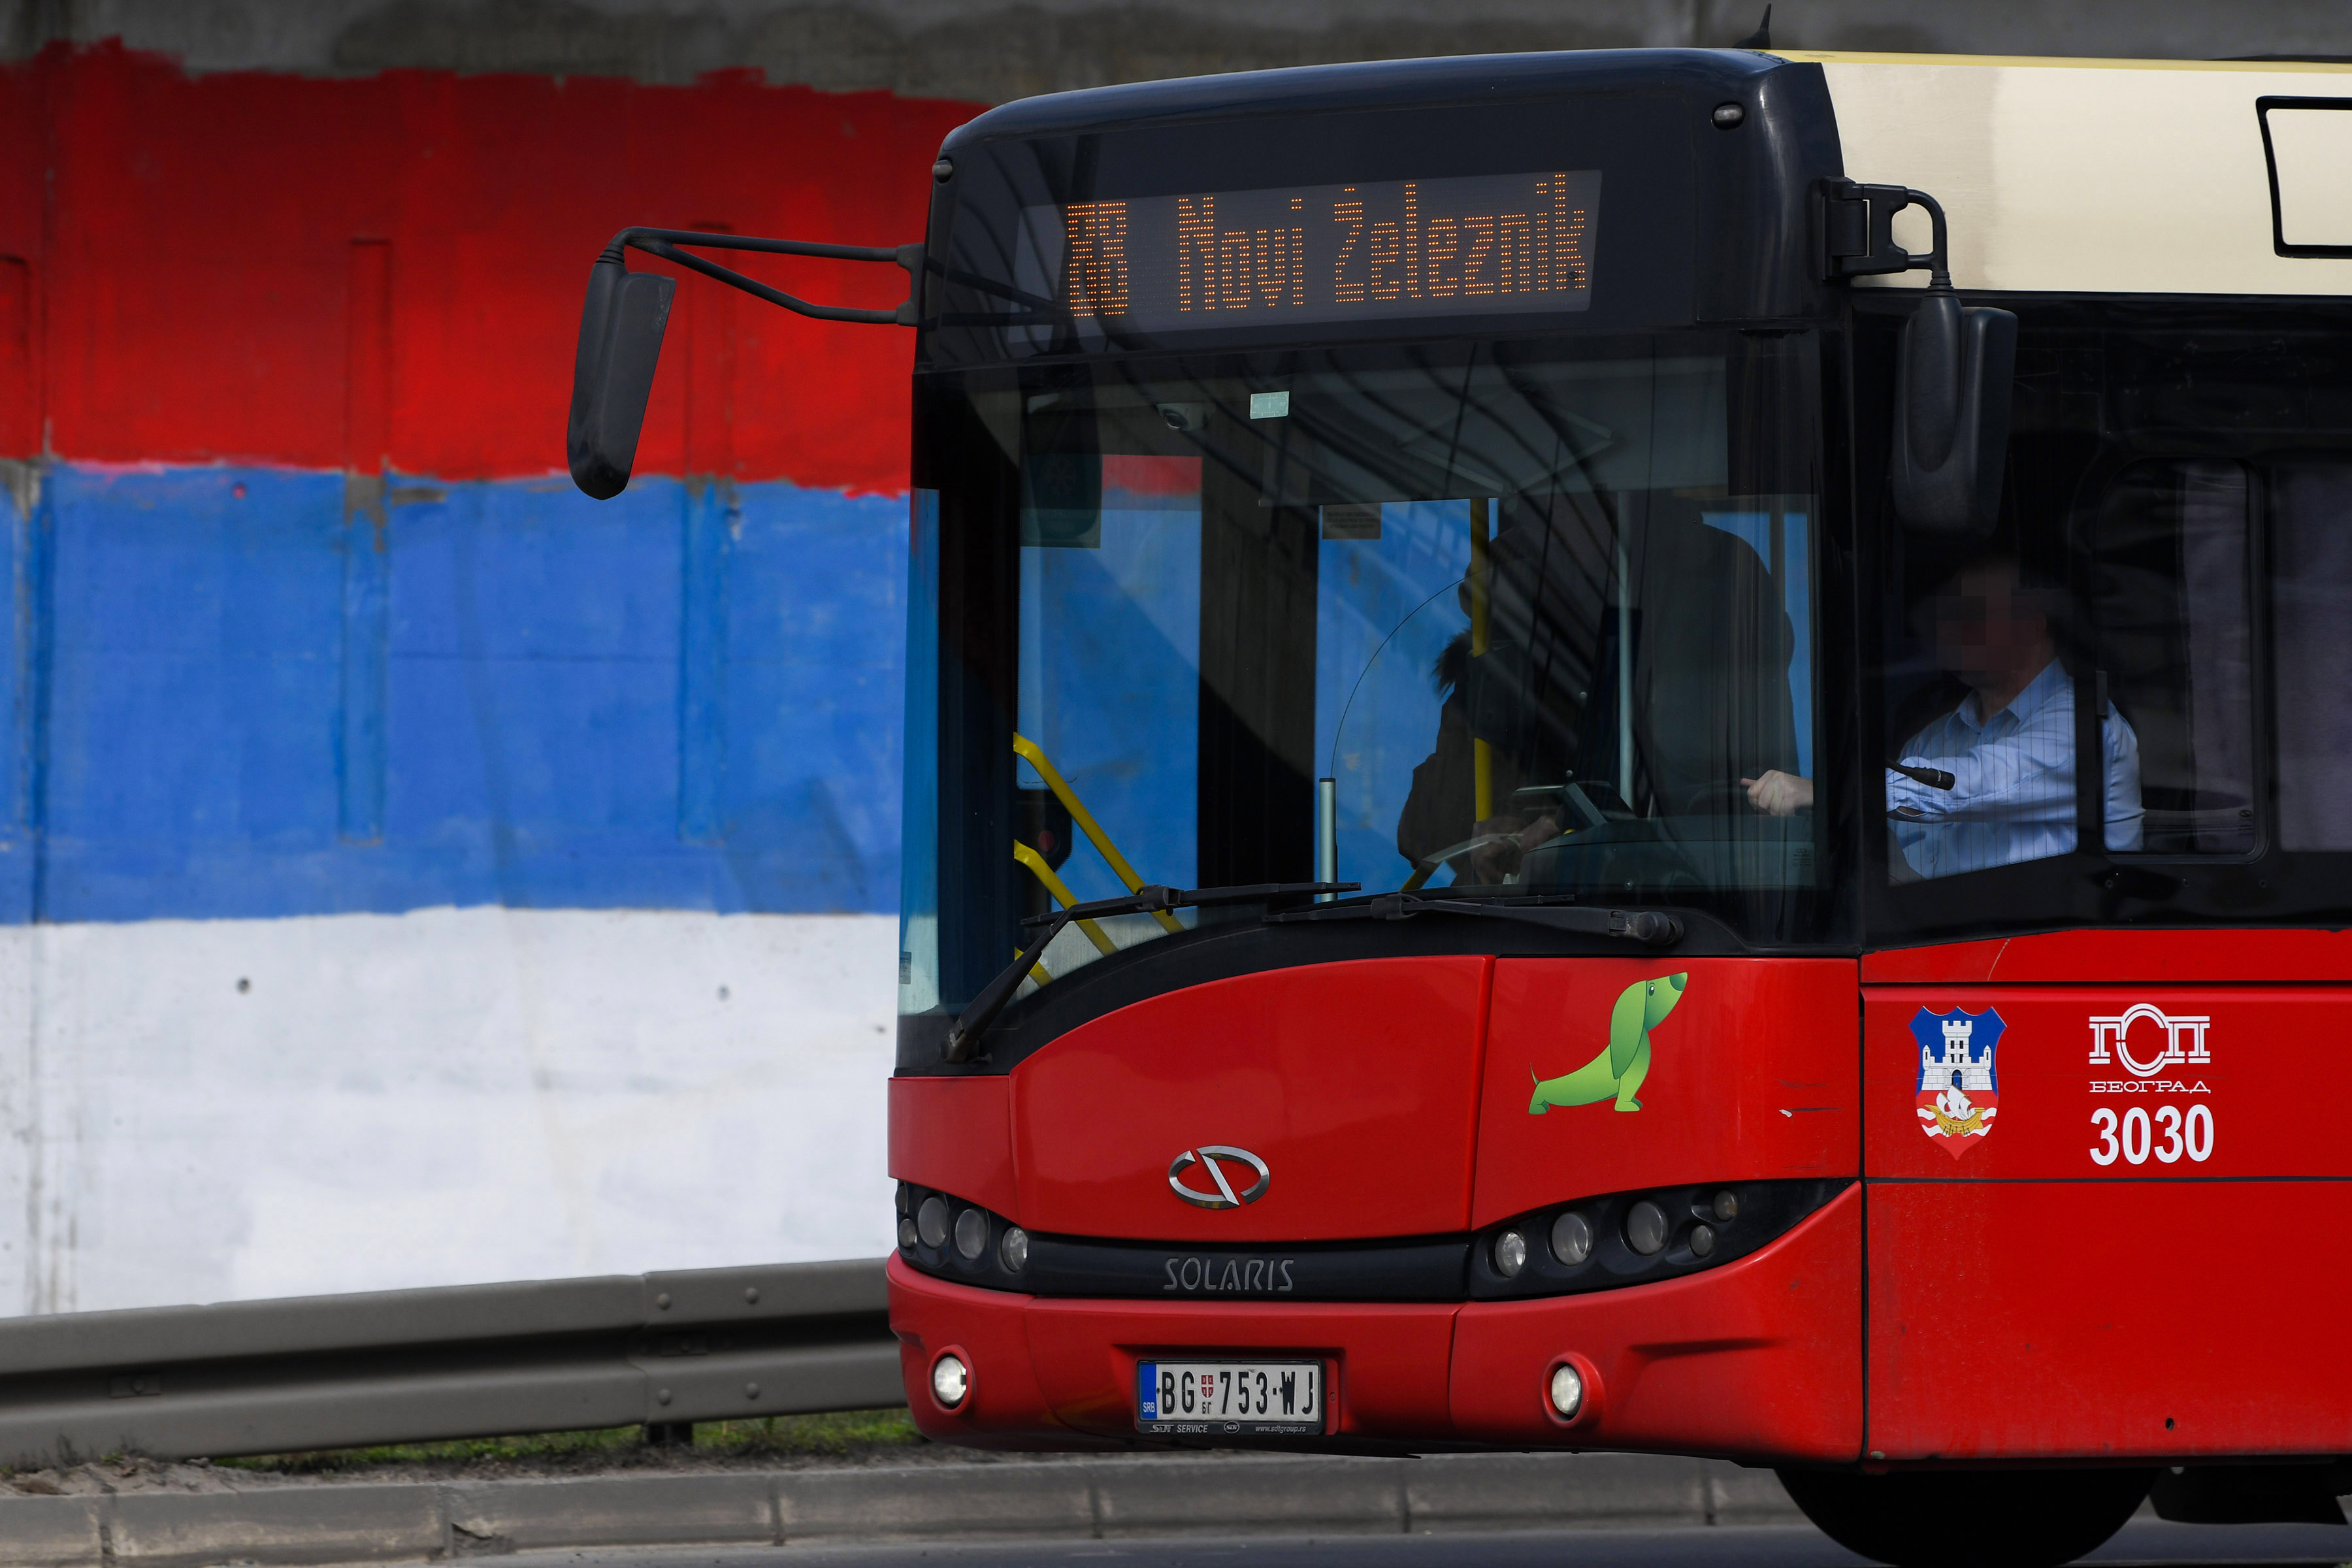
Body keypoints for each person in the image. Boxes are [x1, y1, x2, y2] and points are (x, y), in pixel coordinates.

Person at [1742, 555, 2142, 879]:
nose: (1950, 628)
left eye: (1970, 614)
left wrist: (1831, 793)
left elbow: (1982, 781)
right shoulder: (1929, 742)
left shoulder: (2087, 726)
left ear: (2030, 628)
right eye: (1947, 615)